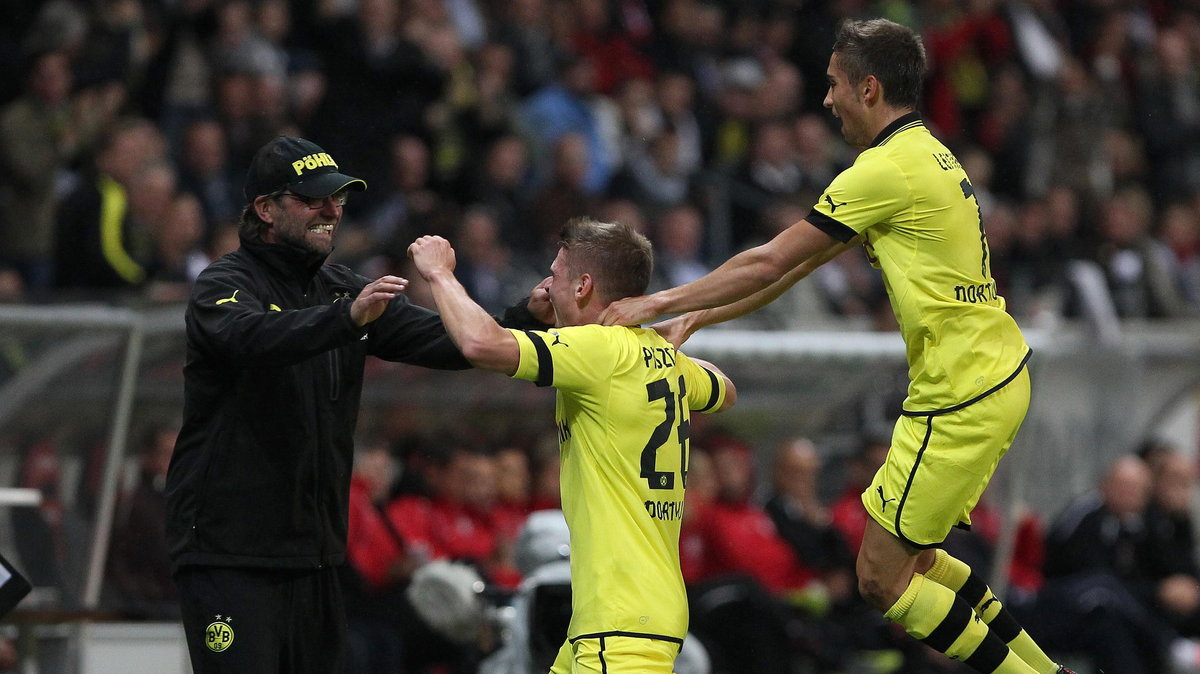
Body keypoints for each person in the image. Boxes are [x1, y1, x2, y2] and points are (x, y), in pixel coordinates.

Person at [599, 18, 1071, 674]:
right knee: (916, 559)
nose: (826, 99)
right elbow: (794, 269)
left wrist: (657, 302)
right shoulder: (925, 154)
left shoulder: (883, 171)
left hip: (962, 389)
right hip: (987, 372)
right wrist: (701, 318)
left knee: (881, 579)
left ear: (869, 89)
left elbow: (768, 260)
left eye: (834, 84)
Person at [165, 135, 551, 674]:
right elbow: (249, 336)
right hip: (231, 556)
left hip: (315, 557)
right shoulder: (223, 285)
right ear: (265, 209)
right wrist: (345, 321)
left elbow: (448, 341)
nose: (332, 210)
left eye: (339, 198)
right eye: (314, 198)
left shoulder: (343, 289)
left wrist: (522, 319)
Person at [407, 216, 736, 674]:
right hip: (629, 615)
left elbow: (482, 344)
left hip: (619, 624)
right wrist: (670, 347)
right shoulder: (660, 360)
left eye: (556, 275)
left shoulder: (598, 349)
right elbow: (724, 388)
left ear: (583, 286)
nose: (547, 284)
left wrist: (440, 273)